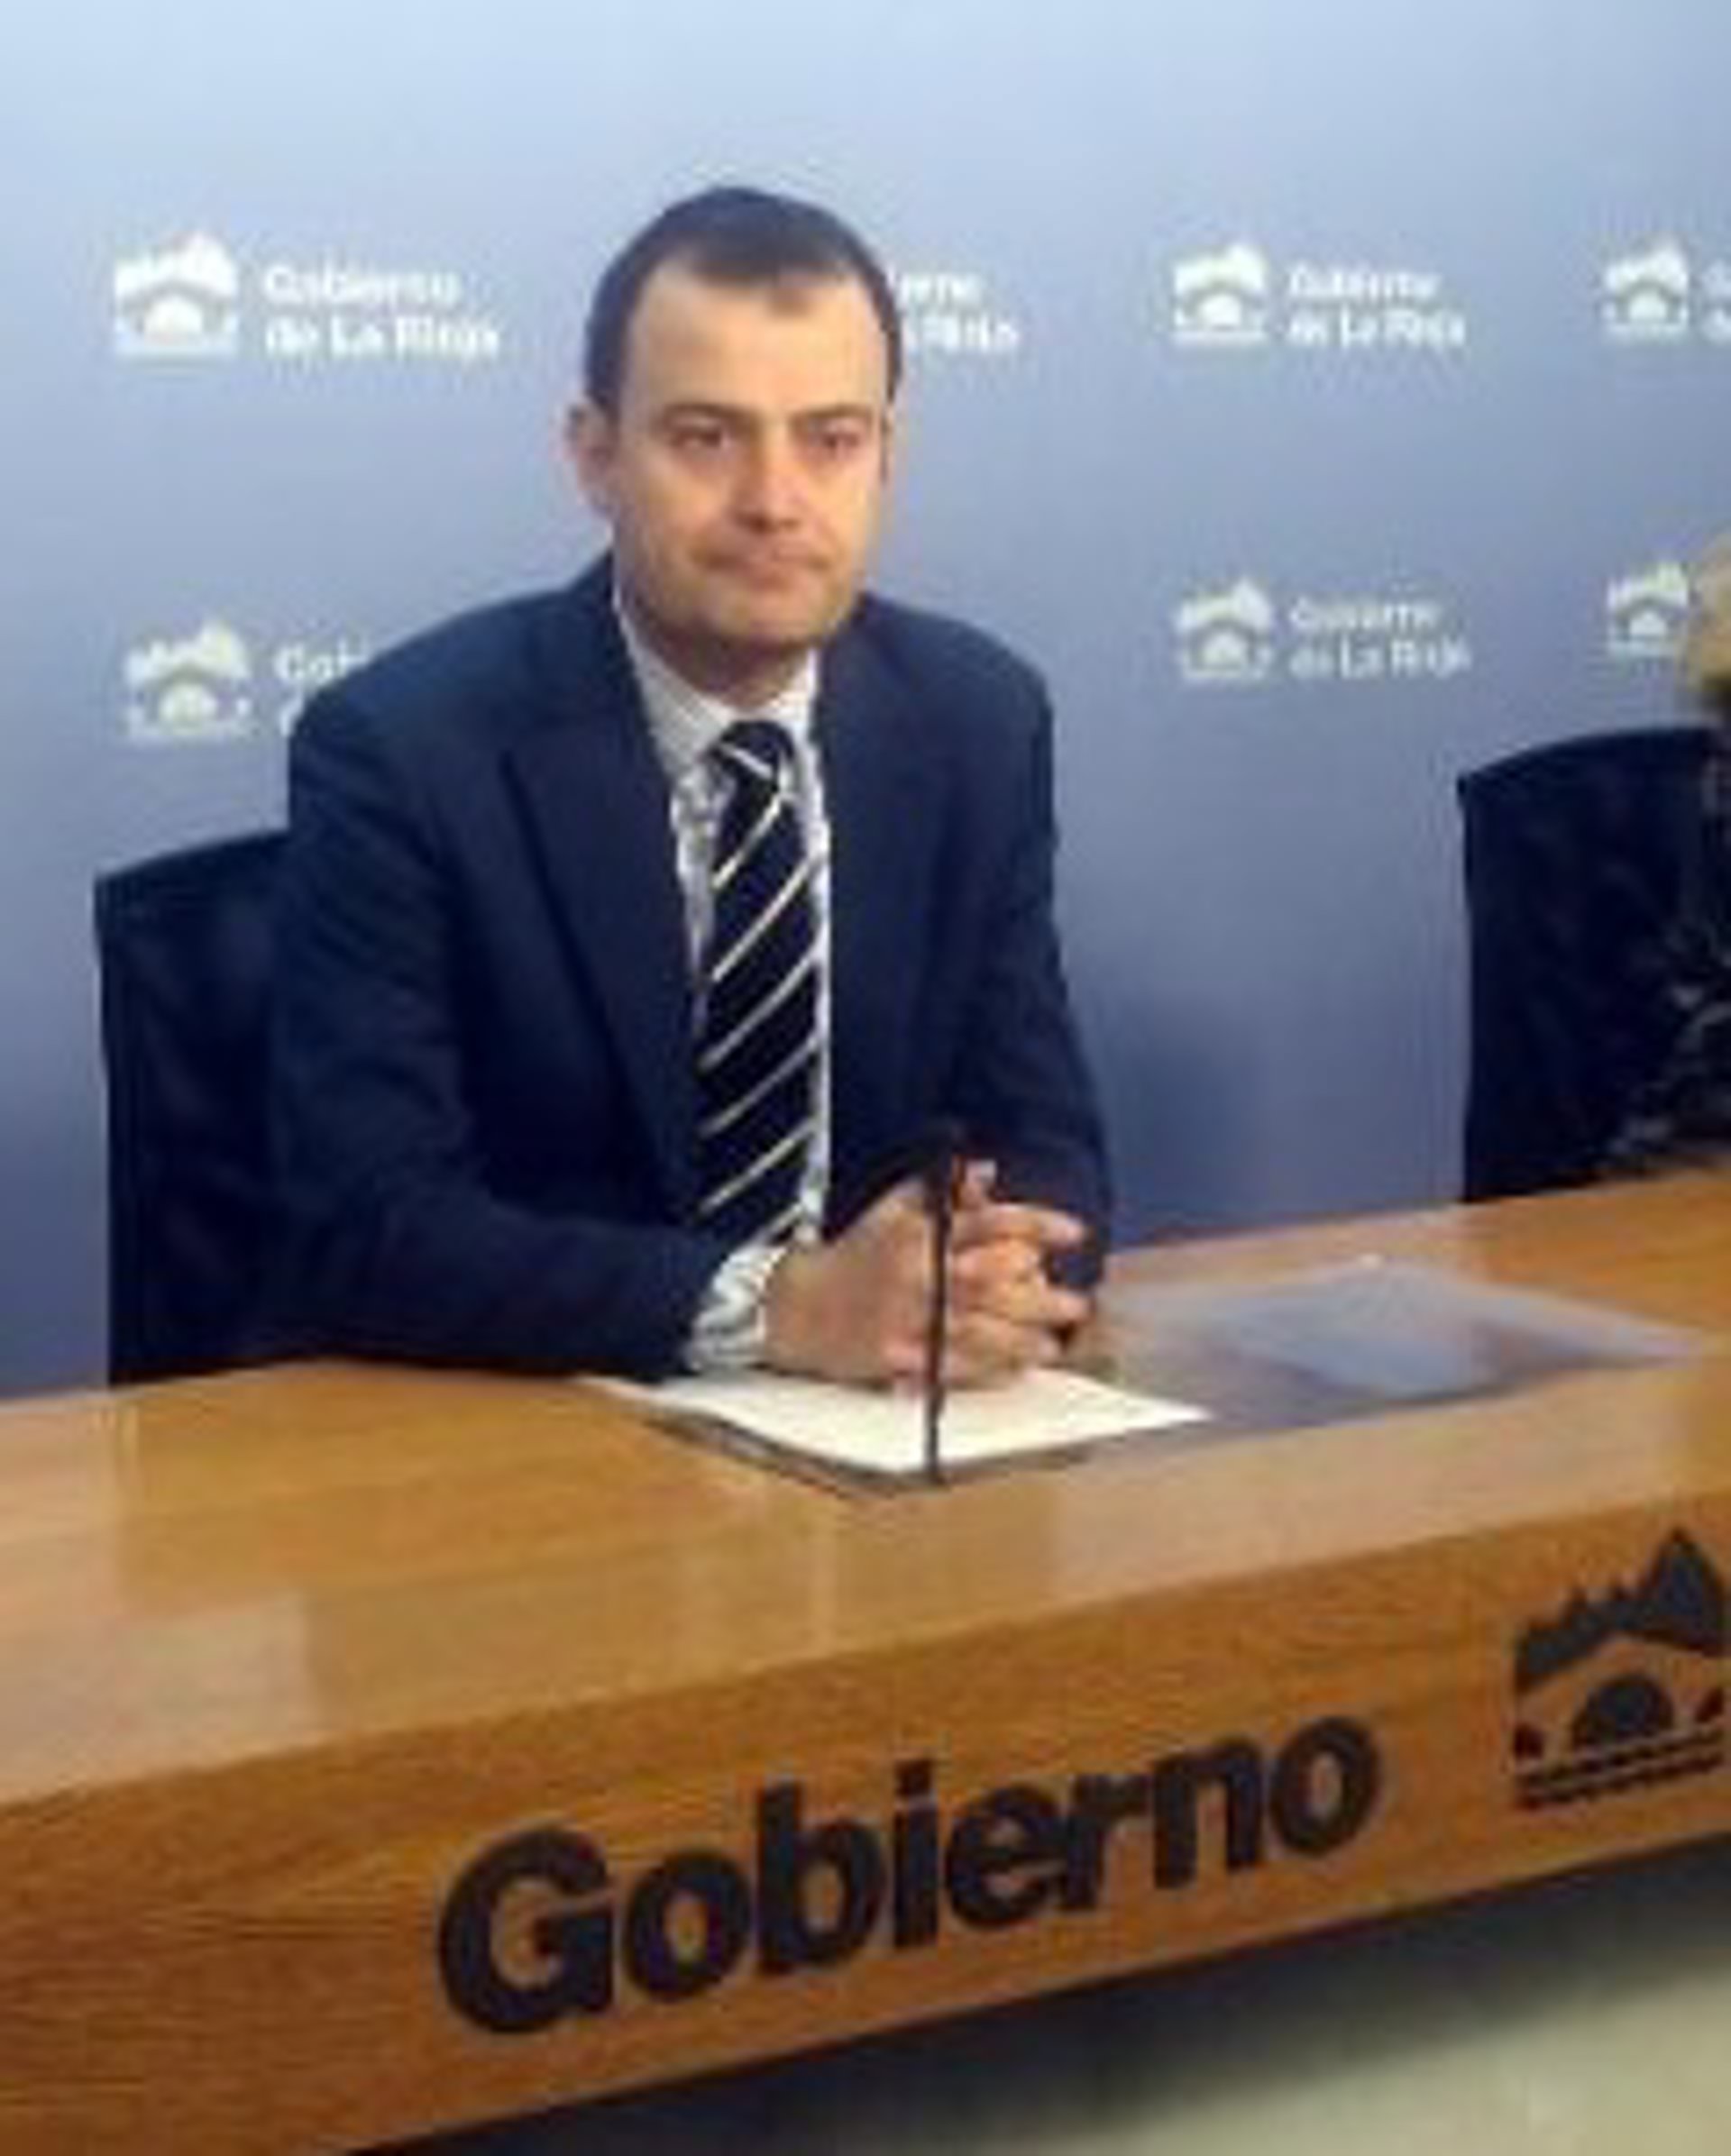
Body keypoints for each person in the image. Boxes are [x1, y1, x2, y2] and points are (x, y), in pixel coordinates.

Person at [270, 184, 1108, 1386]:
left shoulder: (978, 722)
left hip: (876, 1430)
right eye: (707, 438)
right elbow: (370, 1226)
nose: (774, 501)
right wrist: (777, 1308)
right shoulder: (403, 751)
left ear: (888, 455)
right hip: (531, 1437)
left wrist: (979, 1282)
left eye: (831, 439)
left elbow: (1046, 1148)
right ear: (595, 456)